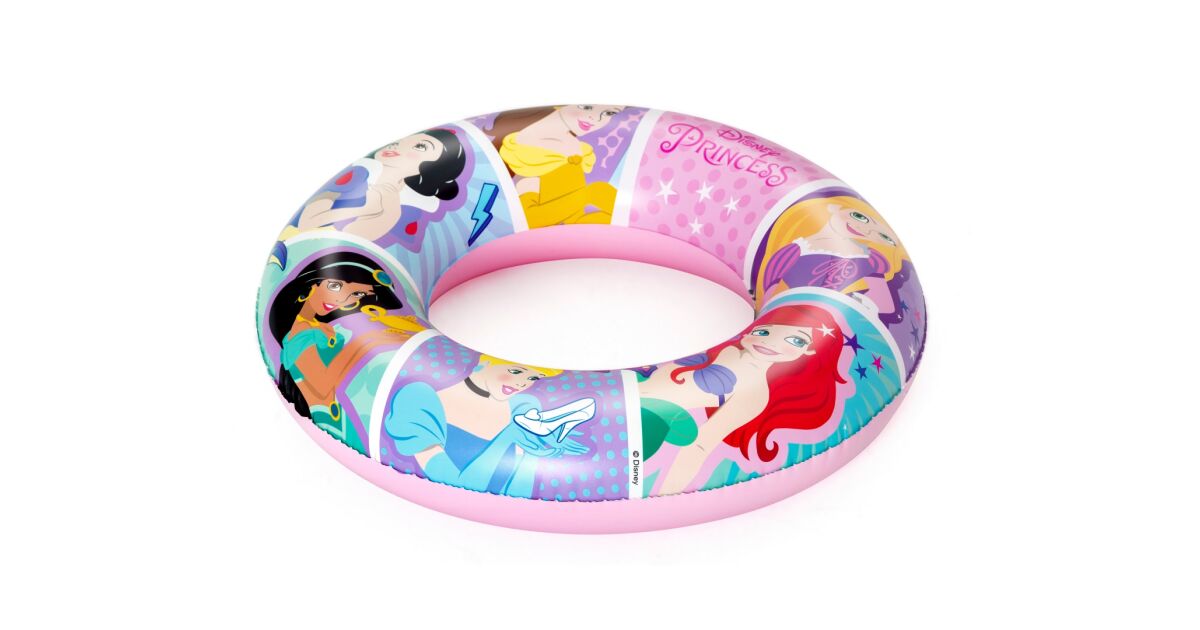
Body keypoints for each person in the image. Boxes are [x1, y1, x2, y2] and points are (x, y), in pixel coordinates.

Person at [637, 305, 847, 495]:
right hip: (632, 393)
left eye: (795, 340)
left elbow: (700, 446)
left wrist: (665, 493)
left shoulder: (755, 395)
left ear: (810, 349)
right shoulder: (725, 352)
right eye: (763, 332)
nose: (769, 341)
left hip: (642, 421)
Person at [383, 353, 595, 496]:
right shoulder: (420, 401)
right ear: (483, 364)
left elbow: (520, 485)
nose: (523, 383)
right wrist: (507, 437)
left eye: (533, 378)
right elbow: (451, 480)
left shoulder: (522, 407)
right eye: (515, 372)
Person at [267, 252, 414, 453]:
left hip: (341, 416)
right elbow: (322, 385)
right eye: (335, 286)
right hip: (328, 417)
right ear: (311, 284)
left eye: (357, 294)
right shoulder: (298, 336)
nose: (342, 299)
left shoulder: (319, 327)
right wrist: (369, 342)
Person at [485, 105, 625, 227]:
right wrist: (586, 196)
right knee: (598, 190)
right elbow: (530, 219)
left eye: (609, 113)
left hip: (579, 228)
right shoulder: (525, 146)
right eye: (586, 107)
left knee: (600, 192)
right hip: (543, 232)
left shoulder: (576, 145)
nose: (596, 119)